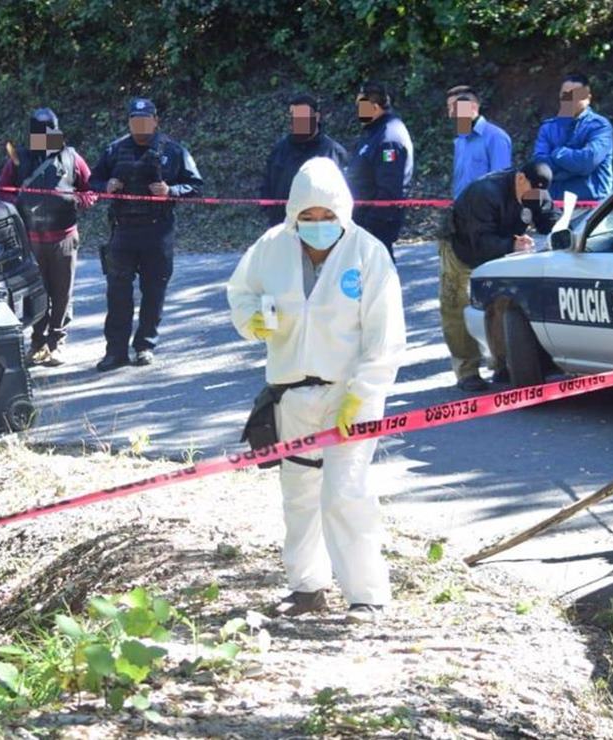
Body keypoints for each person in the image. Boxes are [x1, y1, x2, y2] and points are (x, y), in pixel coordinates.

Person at [227, 157, 406, 625]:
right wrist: (254, 322)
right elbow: (240, 293)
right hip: (291, 394)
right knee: (299, 493)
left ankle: (367, 596)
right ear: (293, 215)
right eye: (308, 217)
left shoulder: (368, 254)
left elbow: (385, 337)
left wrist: (363, 393)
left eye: (327, 216)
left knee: (345, 492)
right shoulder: (271, 248)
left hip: (349, 395)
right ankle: (307, 587)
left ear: (343, 213)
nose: (318, 226)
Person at [88, 97, 203, 371]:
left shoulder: (173, 151)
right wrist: (107, 185)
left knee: (154, 292)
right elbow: (92, 181)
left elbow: (196, 186)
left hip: (157, 231)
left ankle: (144, 346)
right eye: (134, 120)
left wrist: (171, 191)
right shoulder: (114, 150)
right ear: (128, 121)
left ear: (155, 120)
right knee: (118, 294)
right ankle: (115, 352)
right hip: (123, 231)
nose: (140, 124)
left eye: (145, 119)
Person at [438, 162, 557, 392]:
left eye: (540, 194)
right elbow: (479, 241)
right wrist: (512, 244)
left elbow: (549, 219)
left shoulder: (537, 192)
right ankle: (467, 370)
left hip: (503, 248)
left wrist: (563, 230)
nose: (535, 198)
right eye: (532, 191)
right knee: (457, 305)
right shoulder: (485, 192)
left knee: (503, 304)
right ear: (520, 178)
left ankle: (503, 363)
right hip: (462, 247)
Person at [0, 108, 96, 366]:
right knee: (36, 291)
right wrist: (17, 202)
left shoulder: (71, 157)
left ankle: (57, 342)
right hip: (31, 238)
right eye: (38, 132)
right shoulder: (18, 158)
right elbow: (2, 191)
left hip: (64, 236)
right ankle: (38, 342)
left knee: (62, 292)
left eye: (48, 131)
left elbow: (91, 189)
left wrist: (78, 199)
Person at [344, 80, 414, 259]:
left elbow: (389, 188)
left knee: (378, 278)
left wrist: (371, 223)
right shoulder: (375, 132)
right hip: (363, 220)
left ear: (374, 107)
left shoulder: (388, 137)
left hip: (375, 225)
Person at [259, 93, 349, 227]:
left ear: (317, 117)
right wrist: (270, 211)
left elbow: (347, 194)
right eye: (295, 117)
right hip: (284, 227)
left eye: (303, 116)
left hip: (321, 229)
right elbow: (266, 184)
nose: (299, 120)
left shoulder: (334, 152)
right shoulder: (279, 150)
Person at [533, 74, 613, 201]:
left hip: (592, 206)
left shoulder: (600, 127)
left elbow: (587, 162)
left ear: (588, 98)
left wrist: (557, 153)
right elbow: (540, 167)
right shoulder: (548, 128)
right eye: (565, 94)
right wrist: (573, 166)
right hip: (555, 204)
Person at [447, 85, 513, 199]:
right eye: (449, 108)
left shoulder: (496, 137)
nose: (451, 113)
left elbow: (501, 184)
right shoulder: (460, 140)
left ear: (473, 107)